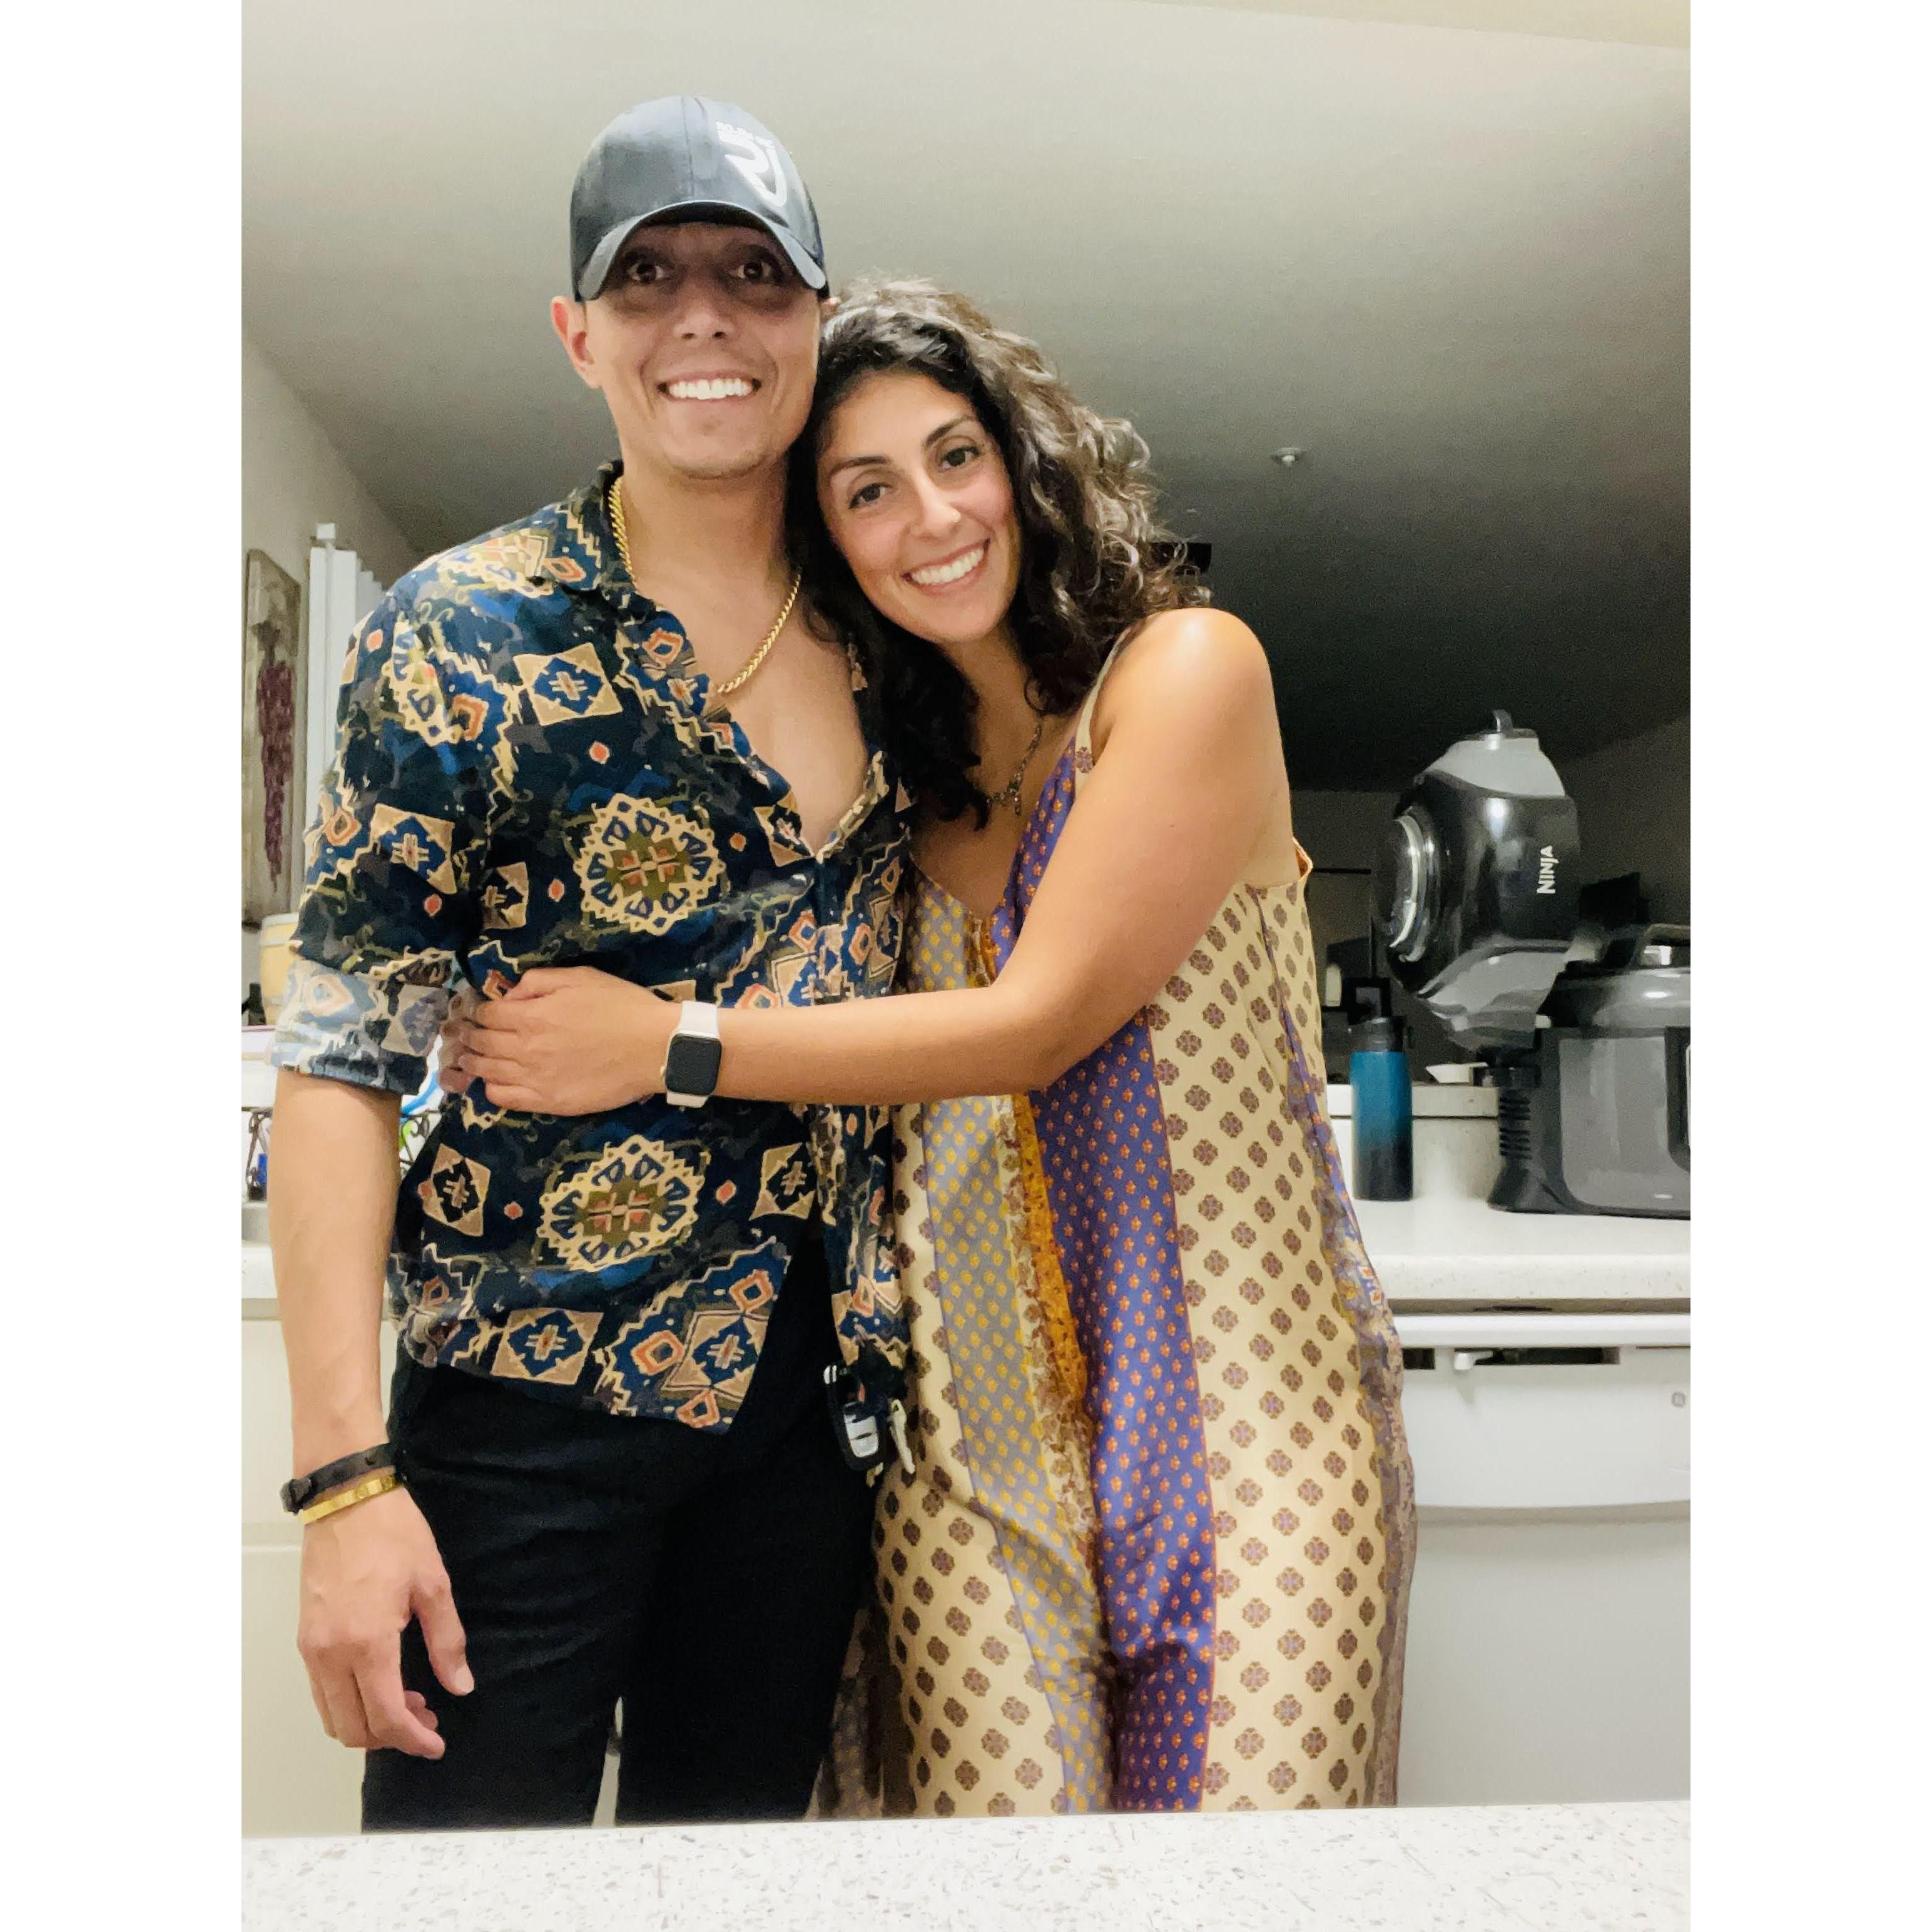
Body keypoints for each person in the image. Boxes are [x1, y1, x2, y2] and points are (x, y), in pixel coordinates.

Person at [442, 278, 1418, 1815]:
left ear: (1022, 464)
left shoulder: (1183, 673)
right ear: (826, 542)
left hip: (1252, 1435)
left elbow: (1036, 1023)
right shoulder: (894, 796)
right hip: (966, 1468)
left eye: (955, 455)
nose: (932, 516)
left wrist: (659, 1045)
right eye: (867, 490)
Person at [267, 98, 913, 1833]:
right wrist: (342, 1484)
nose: (704, 316)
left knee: (730, 1878)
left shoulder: (900, 631)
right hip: (522, 1402)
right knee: (470, 1889)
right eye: (647, 278)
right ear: (578, 335)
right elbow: (340, 1057)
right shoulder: (459, 631)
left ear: (816, 320)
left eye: (753, 274)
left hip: (813, 1411)